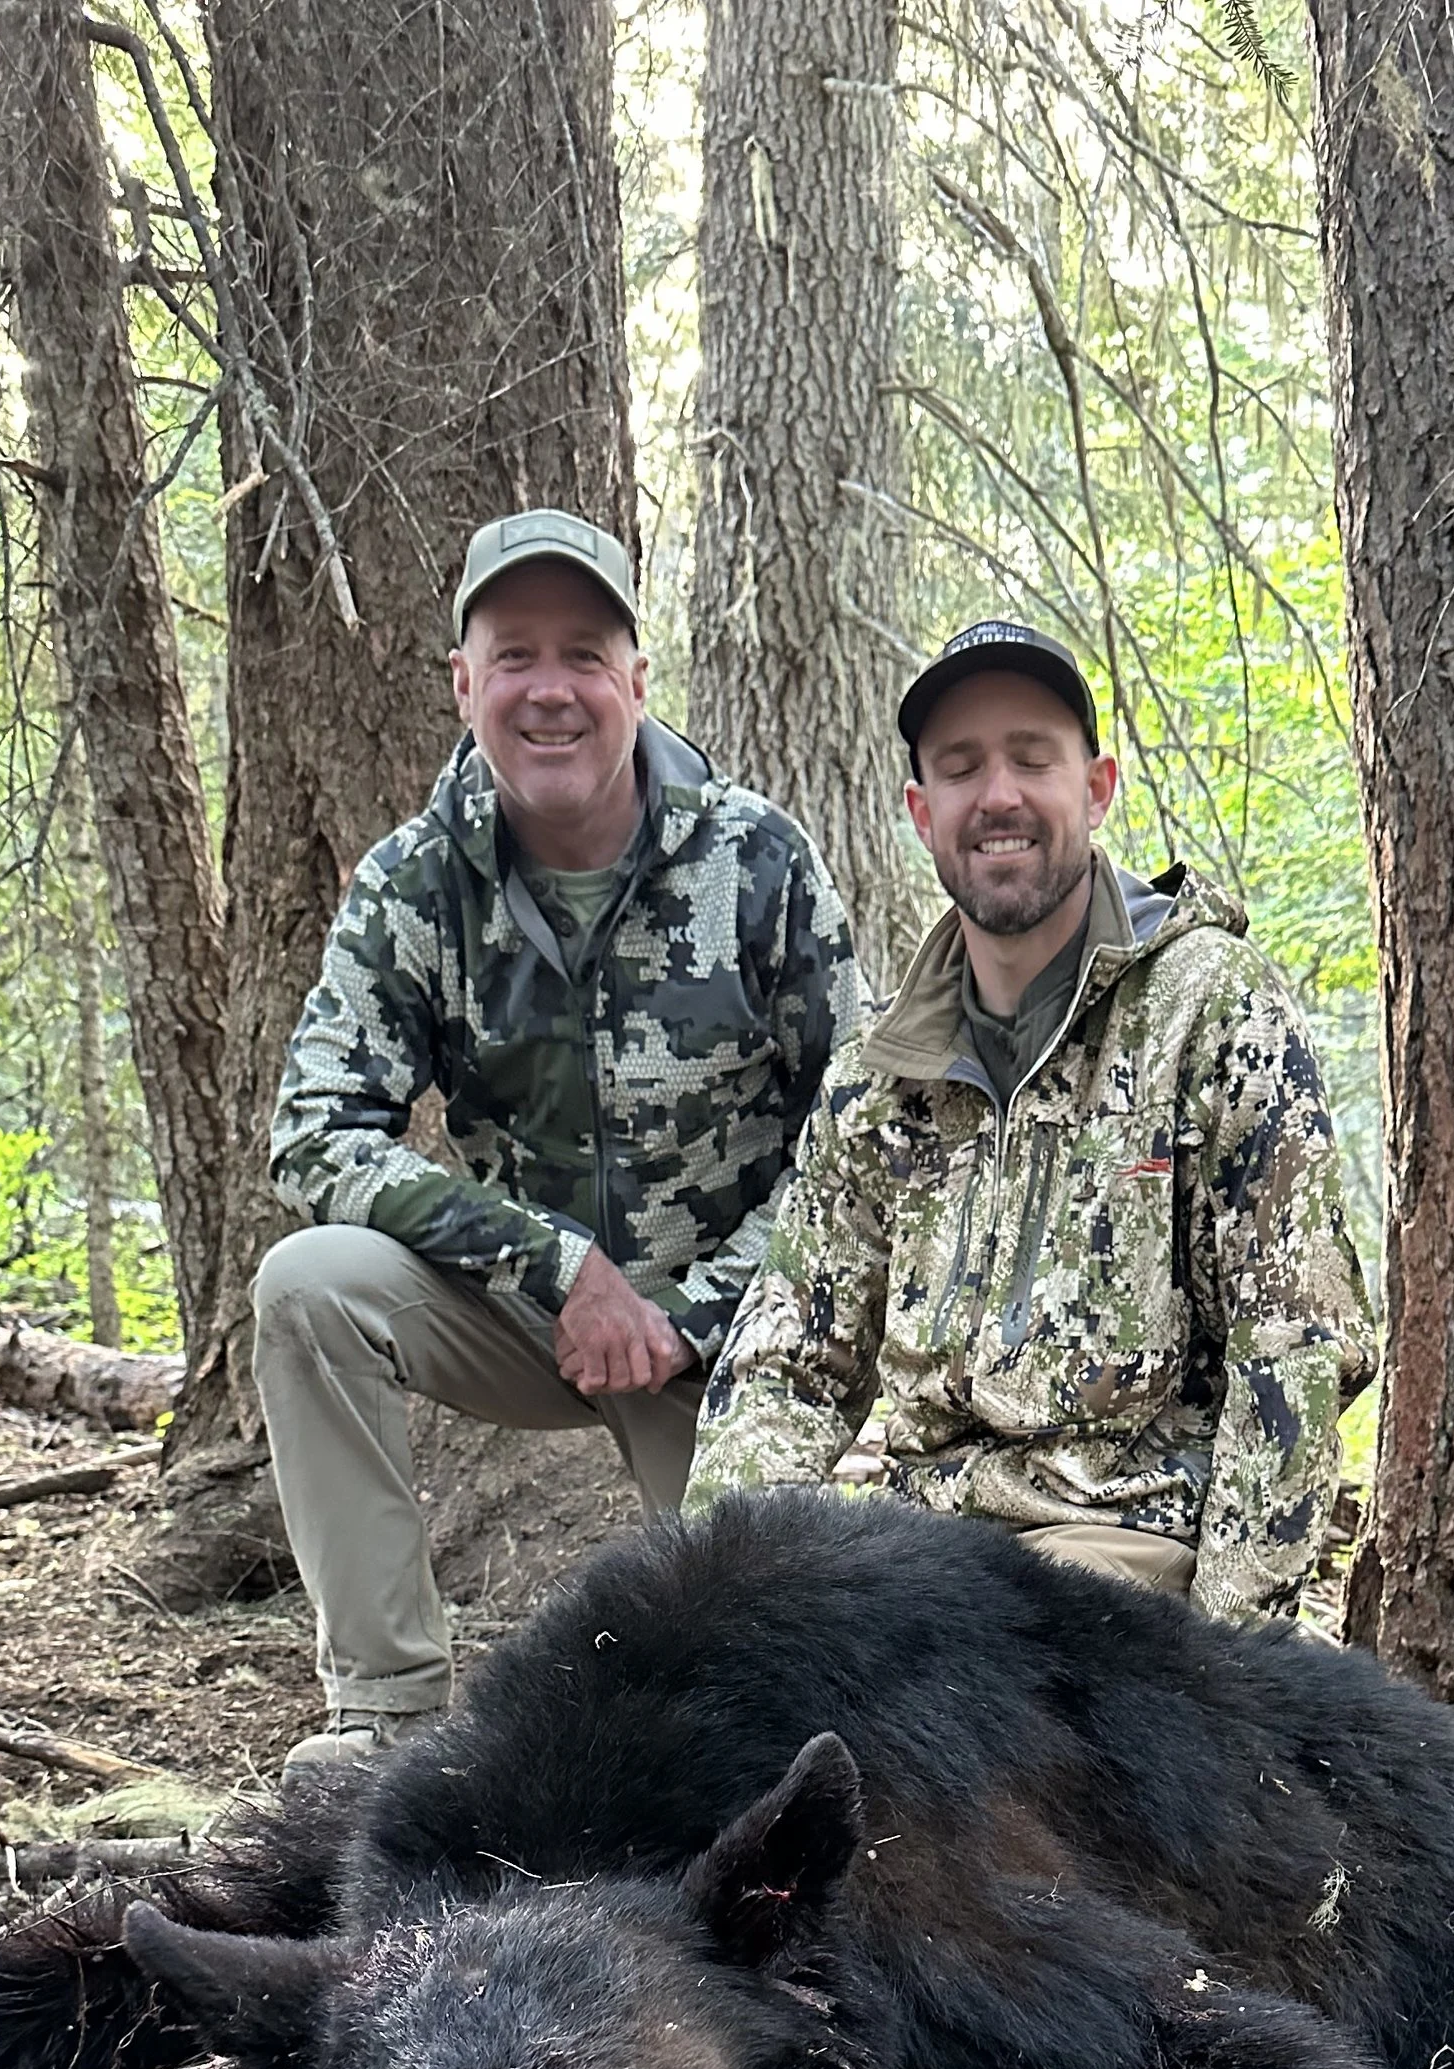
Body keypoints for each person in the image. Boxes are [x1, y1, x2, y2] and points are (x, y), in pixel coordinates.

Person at [254, 508, 862, 1777]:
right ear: (463, 683)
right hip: (534, 1314)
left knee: (746, 1703)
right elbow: (314, 1131)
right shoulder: (416, 884)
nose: (551, 691)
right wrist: (553, 1267)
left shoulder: (757, 861)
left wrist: (689, 1313)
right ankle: (386, 1717)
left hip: (736, 1330)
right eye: (514, 655)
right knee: (308, 1290)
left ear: (637, 681)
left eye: (584, 654)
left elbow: (860, 1142)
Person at [685, 618, 1375, 1624]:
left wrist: (1236, 1665)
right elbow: (784, 1364)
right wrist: (720, 1606)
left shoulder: (1209, 1010)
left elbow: (1294, 1351)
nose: (996, 796)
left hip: (1127, 1565)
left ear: (1094, 789)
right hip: (920, 1565)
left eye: (1029, 759)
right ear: (923, 813)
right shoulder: (875, 1077)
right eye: (961, 768)